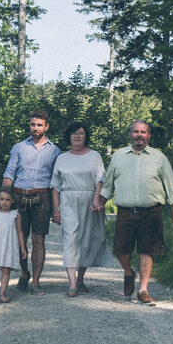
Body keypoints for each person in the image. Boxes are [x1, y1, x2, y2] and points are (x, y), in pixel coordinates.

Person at [99, 120, 173, 306]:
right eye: (136, 132)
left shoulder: (159, 157)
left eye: (143, 132)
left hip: (151, 212)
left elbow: (171, 184)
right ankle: (129, 272)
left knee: (147, 250)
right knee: (121, 250)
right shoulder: (118, 156)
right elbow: (108, 184)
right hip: (125, 212)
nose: (139, 135)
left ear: (149, 135)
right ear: (130, 135)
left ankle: (143, 290)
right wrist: (100, 203)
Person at [50, 122, 115, 297]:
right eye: (74, 133)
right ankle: (71, 283)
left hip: (89, 200)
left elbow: (100, 178)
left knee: (86, 239)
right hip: (68, 199)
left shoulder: (94, 156)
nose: (77, 136)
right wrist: (56, 210)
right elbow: (55, 186)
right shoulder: (62, 158)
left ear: (86, 136)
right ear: (69, 137)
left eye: (81, 133)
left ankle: (80, 278)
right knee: (71, 238)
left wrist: (97, 199)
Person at [2, 109, 61, 295]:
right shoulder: (19, 147)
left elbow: (56, 180)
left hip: (42, 198)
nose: (35, 128)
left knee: (38, 239)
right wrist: (4, 196)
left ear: (46, 126)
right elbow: (9, 173)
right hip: (19, 196)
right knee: (20, 239)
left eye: (39, 125)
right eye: (33, 124)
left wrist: (56, 207)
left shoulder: (55, 150)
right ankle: (25, 272)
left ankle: (35, 281)